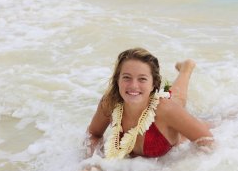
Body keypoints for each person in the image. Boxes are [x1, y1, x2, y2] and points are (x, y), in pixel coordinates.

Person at [84, 47, 213, 160]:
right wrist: (91, 160)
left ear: (153, 84)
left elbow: (208, 141)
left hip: (169, 114)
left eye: (142, 79)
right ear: (117, 80)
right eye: (127, 77)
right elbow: (93, 134)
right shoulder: (110, 103)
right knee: (175, 98)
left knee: (176, 100)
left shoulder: (166, 109)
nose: (133, 85)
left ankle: (186, 68)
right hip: (158, 105)